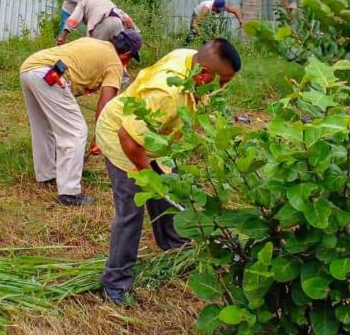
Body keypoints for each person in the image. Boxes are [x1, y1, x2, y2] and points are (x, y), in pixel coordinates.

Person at [95, 39, 242, 304]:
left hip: (154, 138)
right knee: (132, 209)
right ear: (204, 75)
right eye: (222, 82)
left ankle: (173, 245)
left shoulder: (190, 59)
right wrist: (148, 177)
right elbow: (128, 137)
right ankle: (115, 282)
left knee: (167, 189)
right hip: (122, 135)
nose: (223, 88)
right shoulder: (167, 93)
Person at [20, 30, 142, 206]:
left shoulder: (93, 41)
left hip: (30, 67)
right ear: (127, 54)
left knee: (43, 126)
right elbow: (106, 104)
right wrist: (98, 138)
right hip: (50, 75)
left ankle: (47, 175)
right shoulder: (115, 64)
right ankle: (69, 193)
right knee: (75, 131)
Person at [56, 0, 138, 46]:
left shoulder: (82, 3)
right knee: (115, 55)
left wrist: (62, 37)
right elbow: (124, 17)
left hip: (100, 23)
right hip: (118, 21)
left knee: (92, 54)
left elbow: (73, 19)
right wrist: (136, 33)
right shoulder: (106, 1)